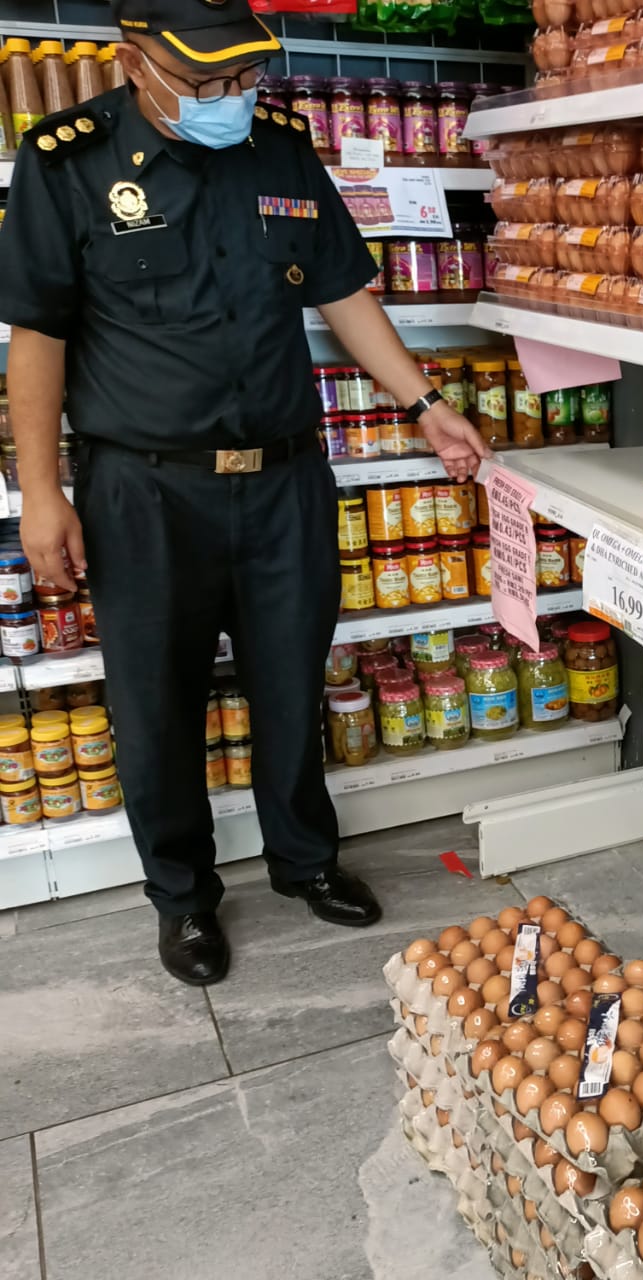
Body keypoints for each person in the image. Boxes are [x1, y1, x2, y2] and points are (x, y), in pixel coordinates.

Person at [0, 0, 491, 986]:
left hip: (281, 478)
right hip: (144, 488)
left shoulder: (276, 147)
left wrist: (425, 402)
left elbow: (342, 289)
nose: (232, 100)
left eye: (244, 81)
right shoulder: (68, 159)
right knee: (154, 706)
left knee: (288, 679)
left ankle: (305, 859)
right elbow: (38, 333)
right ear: (134, 62)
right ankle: (182, 900)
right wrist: (42, 491)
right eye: (207, 83)